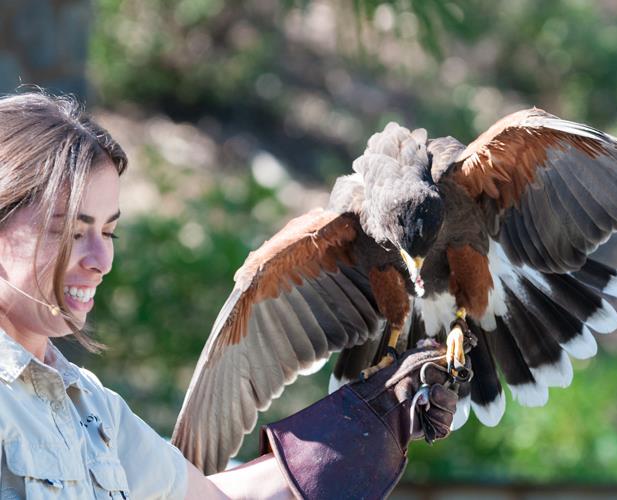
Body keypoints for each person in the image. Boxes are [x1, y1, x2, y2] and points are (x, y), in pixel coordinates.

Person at [0, 91, 458, 499]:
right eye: (70, 231)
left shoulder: (93, 408)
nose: (101, 259)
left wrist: (370, 420)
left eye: (110, 232)